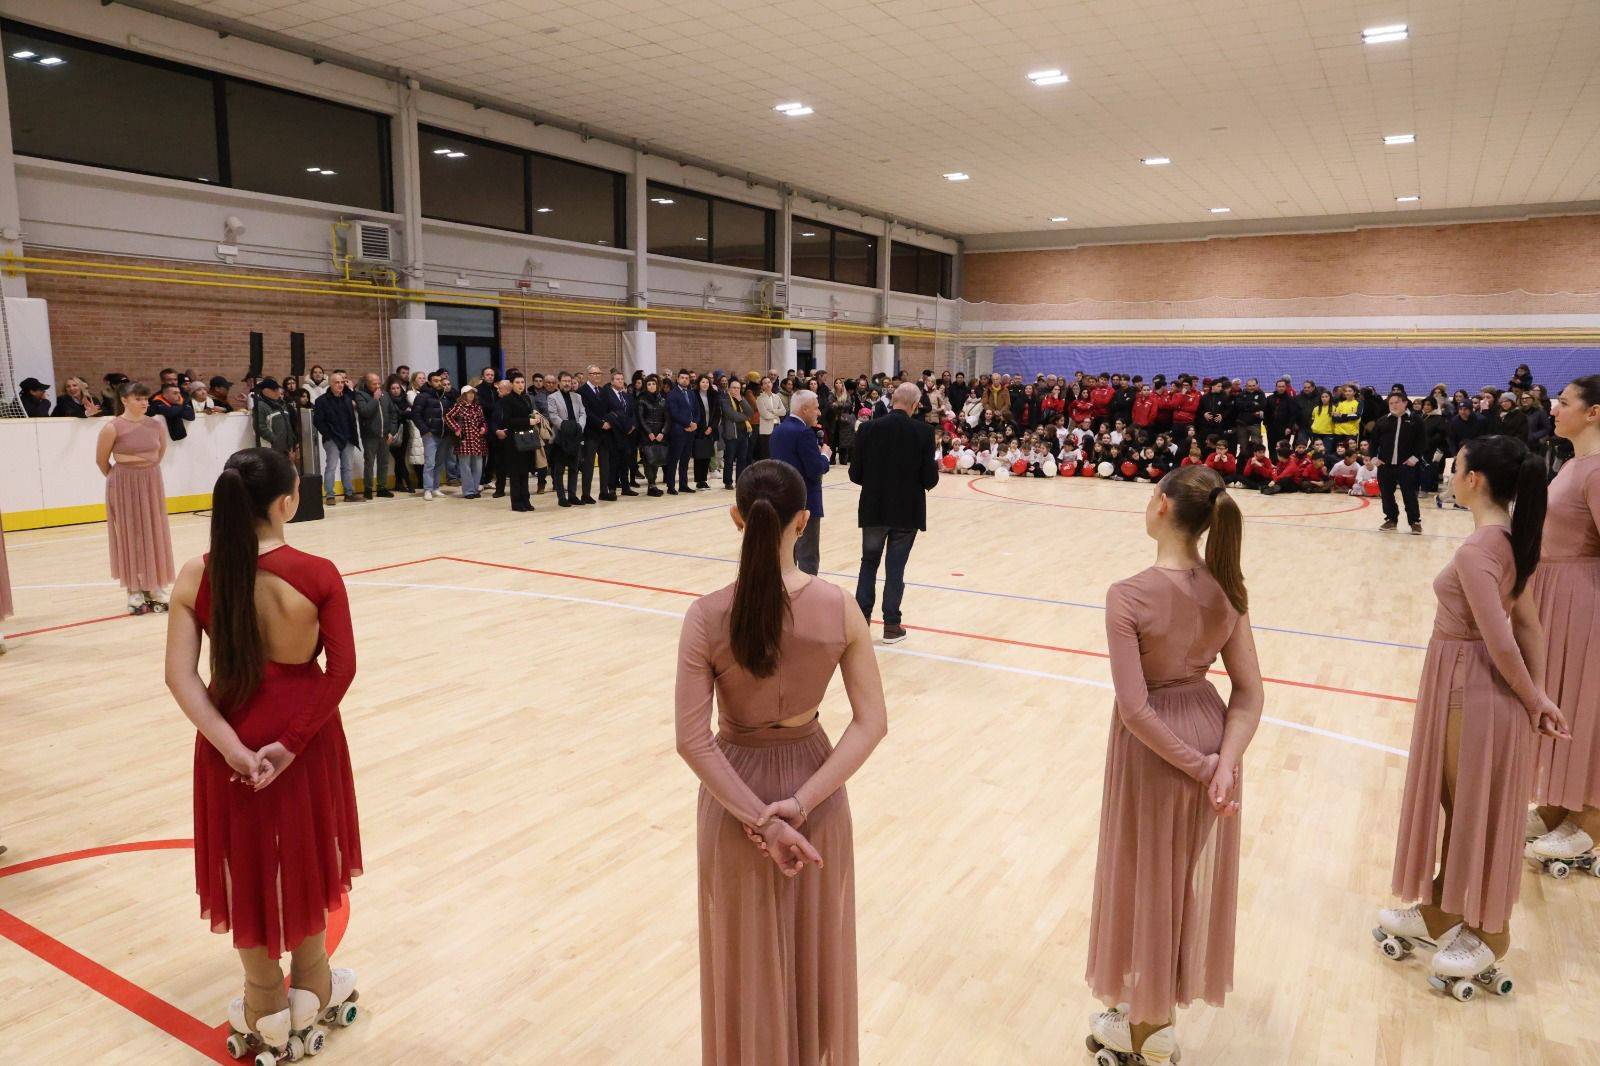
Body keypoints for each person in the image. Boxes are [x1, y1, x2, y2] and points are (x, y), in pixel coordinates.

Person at [674, 459, 886, 1066]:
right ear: (804, 521)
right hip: (814, 794)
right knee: (816, 950)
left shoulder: (706, 615)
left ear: (736, 518)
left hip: (734, 797)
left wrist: (761, 819)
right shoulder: (840, 607)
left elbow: (692, 740)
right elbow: (871, 723)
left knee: (741, 960)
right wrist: (797, 804)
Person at [164, 448, 361, 1064]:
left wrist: (233, 748)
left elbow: (179, 677)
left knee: (242, 864)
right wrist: (292, 743)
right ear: (286, 502)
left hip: (230, 736)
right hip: (306, 738)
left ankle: (264, 1003)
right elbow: (342, 669)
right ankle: (315, 984)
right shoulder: (318, 573)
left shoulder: (196, 575)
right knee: (307, 851)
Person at [1085, 465, 1263, 1065]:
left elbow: (1135, 709)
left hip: (1159, 750)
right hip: (1210, 733)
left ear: (1162, 504)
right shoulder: (1227, 589)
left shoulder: (1128, 594)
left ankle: (1148, 1029)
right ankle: (1150, 1009)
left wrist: (1199, 766)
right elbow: (1250, 692)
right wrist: (1224, 763)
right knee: (1178, 881)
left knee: (1146, 883)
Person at [1377, 434, 1565, 996]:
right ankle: (1443, 907)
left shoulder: (1479, 550)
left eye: (1455, 466)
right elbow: (1528, 627)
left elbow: (1503, 638)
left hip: (1473, 689)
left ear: (1473, 479)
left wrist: (1535, 699)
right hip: (1472, 687)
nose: (1450, 473)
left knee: (1471, 811)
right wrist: (1538, 694)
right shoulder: (1508, 540)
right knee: (1462, 807)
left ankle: (1490, 932)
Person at [1527, 375, 1600, 870]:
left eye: (1565, 402)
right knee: (1564, 702)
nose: (1554, 409)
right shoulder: (1575, 464)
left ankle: (1591, 817)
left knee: (1586, 706)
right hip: (1558, 595)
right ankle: (1560, 804)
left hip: (1584, 600)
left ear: (1594, 413)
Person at [849, 382, 938, 645]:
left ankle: (860, 623)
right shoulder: (924, 432)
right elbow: (929, 480)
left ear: (892, 400)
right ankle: (891, 626)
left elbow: (855, 474)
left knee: (869, 563)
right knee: (895, 568)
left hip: (874, 508)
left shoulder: (867, 429)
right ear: (915, 405)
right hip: (906, 511)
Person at [95, 382, 176, 616]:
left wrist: (144, 472)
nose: (144, 403)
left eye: (145, 398)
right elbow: (101, 461)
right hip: (123, 482)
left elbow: (159, 454)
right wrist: (119, 481)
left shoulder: (156, 425)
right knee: (130, 535)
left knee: (153, 531)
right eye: (138, 399)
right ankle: (134, 589)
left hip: (151, 480)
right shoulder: (112, 427)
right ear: (124, 400)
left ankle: (154, 584)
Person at [768, 389, 831, 575]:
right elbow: (815, 470)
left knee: (786, 555)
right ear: (804, 409)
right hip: (805, 502)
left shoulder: (778, 430)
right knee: (808, 557)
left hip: (782, 501)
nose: (819, 412)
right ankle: (807, 593)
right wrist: (825, 456)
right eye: (816, 408)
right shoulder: (804, 433)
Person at [1372, 391, 1425, 534]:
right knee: (1386, 494)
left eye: (1397, 402)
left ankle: (1415, 522)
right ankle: (1391, 519)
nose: (1393, 405)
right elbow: (1374, 442)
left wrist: (1415, 458)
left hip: (1406, 466)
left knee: (1409, 495)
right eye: (1391, 403)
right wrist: (1373, 457)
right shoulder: (1382, 421)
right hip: (1385, 465)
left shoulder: (1415, 420)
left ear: (1405, 403)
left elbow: (1422, 442)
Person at [312, 372, 360, 505]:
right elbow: (318, 421)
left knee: (347, 467)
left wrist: (353, 436)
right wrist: (328, 435)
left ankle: (349, 494)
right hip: (332, 439)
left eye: (342, 382)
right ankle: (330, 496)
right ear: (330, 384)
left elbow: (352, 419)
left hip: (348, 438)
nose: (340, 385)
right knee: (331, 467)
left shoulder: (347, 399)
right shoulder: (321, 401)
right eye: (337, 382)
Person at [545, 370, 588, 507]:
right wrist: (565, 426)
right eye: (564, 381)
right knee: (559, 469)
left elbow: (583, 413)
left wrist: (579, 426)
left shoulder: (577, 396)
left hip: (576, 435)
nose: (567, 383)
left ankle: (572, 495)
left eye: (569, 381)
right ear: (559, 382)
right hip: (561, 436)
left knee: (574, 468)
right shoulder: (552, 397)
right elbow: (553, 416)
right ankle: (561, 497)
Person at [354, 373, 396, 500]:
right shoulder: (360, 395)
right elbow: (365, 412)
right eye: (374, 384)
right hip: (370, 436)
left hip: (385, 435)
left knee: (383, 463)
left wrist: (392, 432)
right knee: (369, 463)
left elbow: (393, 414)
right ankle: (368, 489)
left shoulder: (385, 394)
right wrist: (375, 399)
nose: (378, 386)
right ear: (367, 383)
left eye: (379, 383)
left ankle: (382, 488)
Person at [599, 370, 639, 500]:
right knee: (614, 462)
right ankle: (612, 488)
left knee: (625, 461)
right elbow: (606, 413)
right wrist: (620, 425)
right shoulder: (606, 394)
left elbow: (633, 413)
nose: (620, 381)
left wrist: (632, 426)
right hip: (613, 433)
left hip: (627, 433)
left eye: (622, 379)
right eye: (617, 379)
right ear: (612, 381)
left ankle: (626, 487)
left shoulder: (627, 396)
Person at [444, 386, 488, 499]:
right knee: (465, 467)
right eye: (469, 393)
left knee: (478, 467)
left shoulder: (477, 407)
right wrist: (456, 428)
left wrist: (483, 428)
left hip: (478, 440)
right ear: (464, 394)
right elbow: (448, 416)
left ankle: (475, 489)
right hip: (464, 440)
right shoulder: (459, 406)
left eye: (473, 393)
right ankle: (468, 491)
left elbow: (483, 421)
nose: (471, 395)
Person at [410, 371, 447, 501]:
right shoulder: (422, 396)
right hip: (430, 434)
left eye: (440, 380)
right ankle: (427, 489)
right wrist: (425, 430)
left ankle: (435, 487)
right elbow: (415, 414)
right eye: (436, 381)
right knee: (430, 463)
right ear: (429, 382)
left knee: (439, 463)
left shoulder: (443, 395)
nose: (439, 383)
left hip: (443, 433)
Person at [577, 365, 608, 505]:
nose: (597, 375)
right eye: (594, 373)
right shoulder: (582, 391)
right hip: (590, 433)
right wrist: (600, 423)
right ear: (588, 375)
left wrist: (608, 422)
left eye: (599, 373)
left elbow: (607, 409)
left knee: (605, 464)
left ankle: (604, 492)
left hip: (605, 433)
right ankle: (586, 494)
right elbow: (585, 412)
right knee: (588, 465)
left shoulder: (602, 391)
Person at [666, 368, 698, 495]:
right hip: (678, 431)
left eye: (686, 378)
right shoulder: (672, 394)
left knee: (685, 459)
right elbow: (674, 413)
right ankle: (670, 486)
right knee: (674, 459)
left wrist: (695, 423)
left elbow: (697, 411)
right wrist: (688, 423)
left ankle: (683, 485)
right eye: (682, 378)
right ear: (678, 379)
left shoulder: (691, 393)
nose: (684, 380)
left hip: (690, 431)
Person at [636, 374, 669, 498]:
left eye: (653, 384)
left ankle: (653, 484)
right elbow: (641, 419)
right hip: (647, 435)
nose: (651, 386)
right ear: (646, 386)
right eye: (649, 384)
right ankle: (651, 485)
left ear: (657, 385)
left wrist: (663, 432)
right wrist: (649, 432)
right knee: (648, 460)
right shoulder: (641, 399)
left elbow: (667, 419)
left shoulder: (663, 400)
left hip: (659, 435)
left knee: (656, 459)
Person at [252, 379, 299, 460]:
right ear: (266, 391)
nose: (277, 392)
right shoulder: (260, 406)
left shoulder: (283, 404)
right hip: (271, 449)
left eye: (277, 389)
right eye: (274, 390)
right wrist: (275, 441)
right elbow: (260, 427)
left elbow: (288, 425)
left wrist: (292, 442)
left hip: (287, 448)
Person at [719, 378, 753, 490]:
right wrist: (745, 417)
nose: (736, 390)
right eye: (734, 387)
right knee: (729, 459)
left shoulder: (741, 399)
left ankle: (740, 481)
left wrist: (741, 401)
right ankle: (728, 482)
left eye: (738, 388)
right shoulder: (725, 399)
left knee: (742, 459)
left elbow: (750, 412)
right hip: (731, 434)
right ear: (729, 388)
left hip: (744, 433)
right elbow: (732, 415)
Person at [755, 376, 786, 460]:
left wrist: (772, 411)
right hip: (766, 429)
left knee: (777, 452)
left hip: (777, 426)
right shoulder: (760, 399)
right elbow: (765, 415)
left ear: (772, 384)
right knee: (767, 454)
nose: (768, 384)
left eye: (769, 382)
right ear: (762, 386)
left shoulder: (776, 397)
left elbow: (783, 411)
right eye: (765, 383)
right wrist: (776, 414)